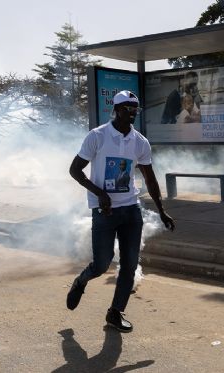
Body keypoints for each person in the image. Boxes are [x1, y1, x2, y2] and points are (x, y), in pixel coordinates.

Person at [67, 90, 175, 333]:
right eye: (127, 108)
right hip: (104, 212)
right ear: (115, 110)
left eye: (135, 108)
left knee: (129, 265)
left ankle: (115, 313)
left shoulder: (140, 142)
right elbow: (75, 170)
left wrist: (162, 211)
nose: (132, 112)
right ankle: (81, 281)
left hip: (130, 210)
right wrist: (100, 193)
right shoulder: (97, 136)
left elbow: (150, 179)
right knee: (101, 265)